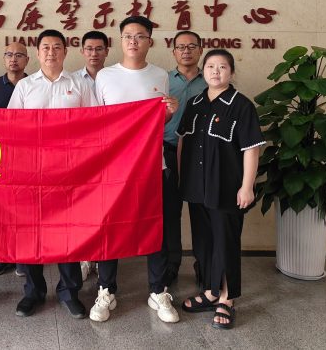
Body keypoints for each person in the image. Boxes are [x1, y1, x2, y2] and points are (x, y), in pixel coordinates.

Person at [89, 16, 180, 324]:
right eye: (128, 35)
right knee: (108, 228)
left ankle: (158, 290)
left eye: (140, 36)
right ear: (120, 40)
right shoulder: (105, 76)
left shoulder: (160, 75)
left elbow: (158, 122)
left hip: (151, 165)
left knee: (155, 228)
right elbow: (96, 122)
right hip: (113, 168)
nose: (133, 41)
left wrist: (169, 114)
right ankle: (106, 289)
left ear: (149, 41)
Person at [8, 29, 97, 319]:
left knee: (68, 231)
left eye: (57, 47)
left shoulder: (79, 84)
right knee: (30, 232)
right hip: (31, 172)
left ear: (65, 52)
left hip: (70, 171)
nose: (51, 52)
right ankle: (33, 292)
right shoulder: (25, 86)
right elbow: (10, 128)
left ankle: (69, 292)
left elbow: (94, 124)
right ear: (37, 53)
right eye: (45, 47)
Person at [177, 49, 264, 330]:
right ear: (203, 71)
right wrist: (182, 179)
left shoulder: (241, 105)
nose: (216, 71)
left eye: (222, 66)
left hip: (226, 187)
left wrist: (247, 187)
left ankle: (227, 298)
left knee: (225, 242)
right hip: (196, 186)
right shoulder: (195, 103)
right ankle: (211, 291)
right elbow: (182, 141)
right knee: (204, 242)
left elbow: (251, 148)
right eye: (211, 66)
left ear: (232, 72)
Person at [162, 31, 207, 285]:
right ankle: (171, 266)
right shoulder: (164, 80)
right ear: (173, 52)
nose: (186, 51)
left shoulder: (210, 80)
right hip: (168, 152)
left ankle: (204, 266)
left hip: (202, 157)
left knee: (201, 213)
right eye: (181, 47)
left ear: (200, 50)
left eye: (191, 46)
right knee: (170, 214)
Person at [0, 42, 29, 278]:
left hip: (27, 157)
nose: (14, 59)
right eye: (9, 55)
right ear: (4, 59)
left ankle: (23, 258)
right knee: (2, 210)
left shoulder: (33, 84)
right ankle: (3, 257)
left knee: (24, 211)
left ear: (27, 60)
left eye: (19, 55)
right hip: (0, 157)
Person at [76, 30, 109, 282]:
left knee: (104, 209)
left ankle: (101, 257)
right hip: (81, 156)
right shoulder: (73, 81)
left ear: (107, 51)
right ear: (82, 51)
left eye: (99, 49)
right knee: (83, 209)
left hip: (111, 153)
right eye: (89, 48)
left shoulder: (114, 78)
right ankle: (85, 257)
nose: (94, 53)